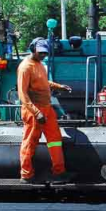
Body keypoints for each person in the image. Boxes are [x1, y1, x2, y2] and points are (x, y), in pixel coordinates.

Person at [17, 38, 73, 184]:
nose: (43, 55)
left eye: (45, 53)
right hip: (33, 111)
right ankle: (26, 175)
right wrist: (36, 112)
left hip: (47, 109)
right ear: (32, 49)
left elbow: (42, 82)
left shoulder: (40, 65)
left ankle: (58, 172)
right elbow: (22, 94)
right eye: (40, 52)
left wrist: (58, 86)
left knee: (55, 140)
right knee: (30, 142)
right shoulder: (25, 67)